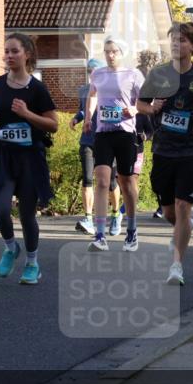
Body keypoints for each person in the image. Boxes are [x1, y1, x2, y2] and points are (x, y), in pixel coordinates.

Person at [137, 22, 193, 285]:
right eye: (173, 39)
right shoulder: (158, 74)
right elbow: (140, 104)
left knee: (184, 206)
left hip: (192, 149)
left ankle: (176, 266)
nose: (176, 44)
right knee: (169, 212)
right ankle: (183, 228)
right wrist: (153, 108)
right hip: (164, 149)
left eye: (182, 40)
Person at [0, 33, 58, 285]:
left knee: (27, 215)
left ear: (27, 54)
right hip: (4, 156)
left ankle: (32, 263)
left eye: (14, 51)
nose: (9, 56)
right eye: (6, 51)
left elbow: (53, 125)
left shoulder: (37, 89)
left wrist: (27, 114)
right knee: (1, 209)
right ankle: (10, 247)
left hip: (30, 158)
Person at [84, 37, 145, 251]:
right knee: (102, 181)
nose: (110, 55)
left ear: (122, 53)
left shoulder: (133, 74)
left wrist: (135, 109)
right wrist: (88, 118)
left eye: (114, 52)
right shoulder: (98, 74)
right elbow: (92, 95)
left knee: (126, 182)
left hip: (125, 133)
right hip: (103, 133)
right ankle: (100, 235)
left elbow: (146, 100)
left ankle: (132, 230)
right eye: (107, 51)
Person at [71, 59, 122, 236]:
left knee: (111, 182)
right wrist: (76, 118)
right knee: (87, 179)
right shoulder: (84, 90)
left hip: (107, 140)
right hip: (88, 140)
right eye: (89, 71)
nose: (92, 73)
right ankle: (88, 219)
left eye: (95, 70)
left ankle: (115, 214)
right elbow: (83, 110)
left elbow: (120, 110)